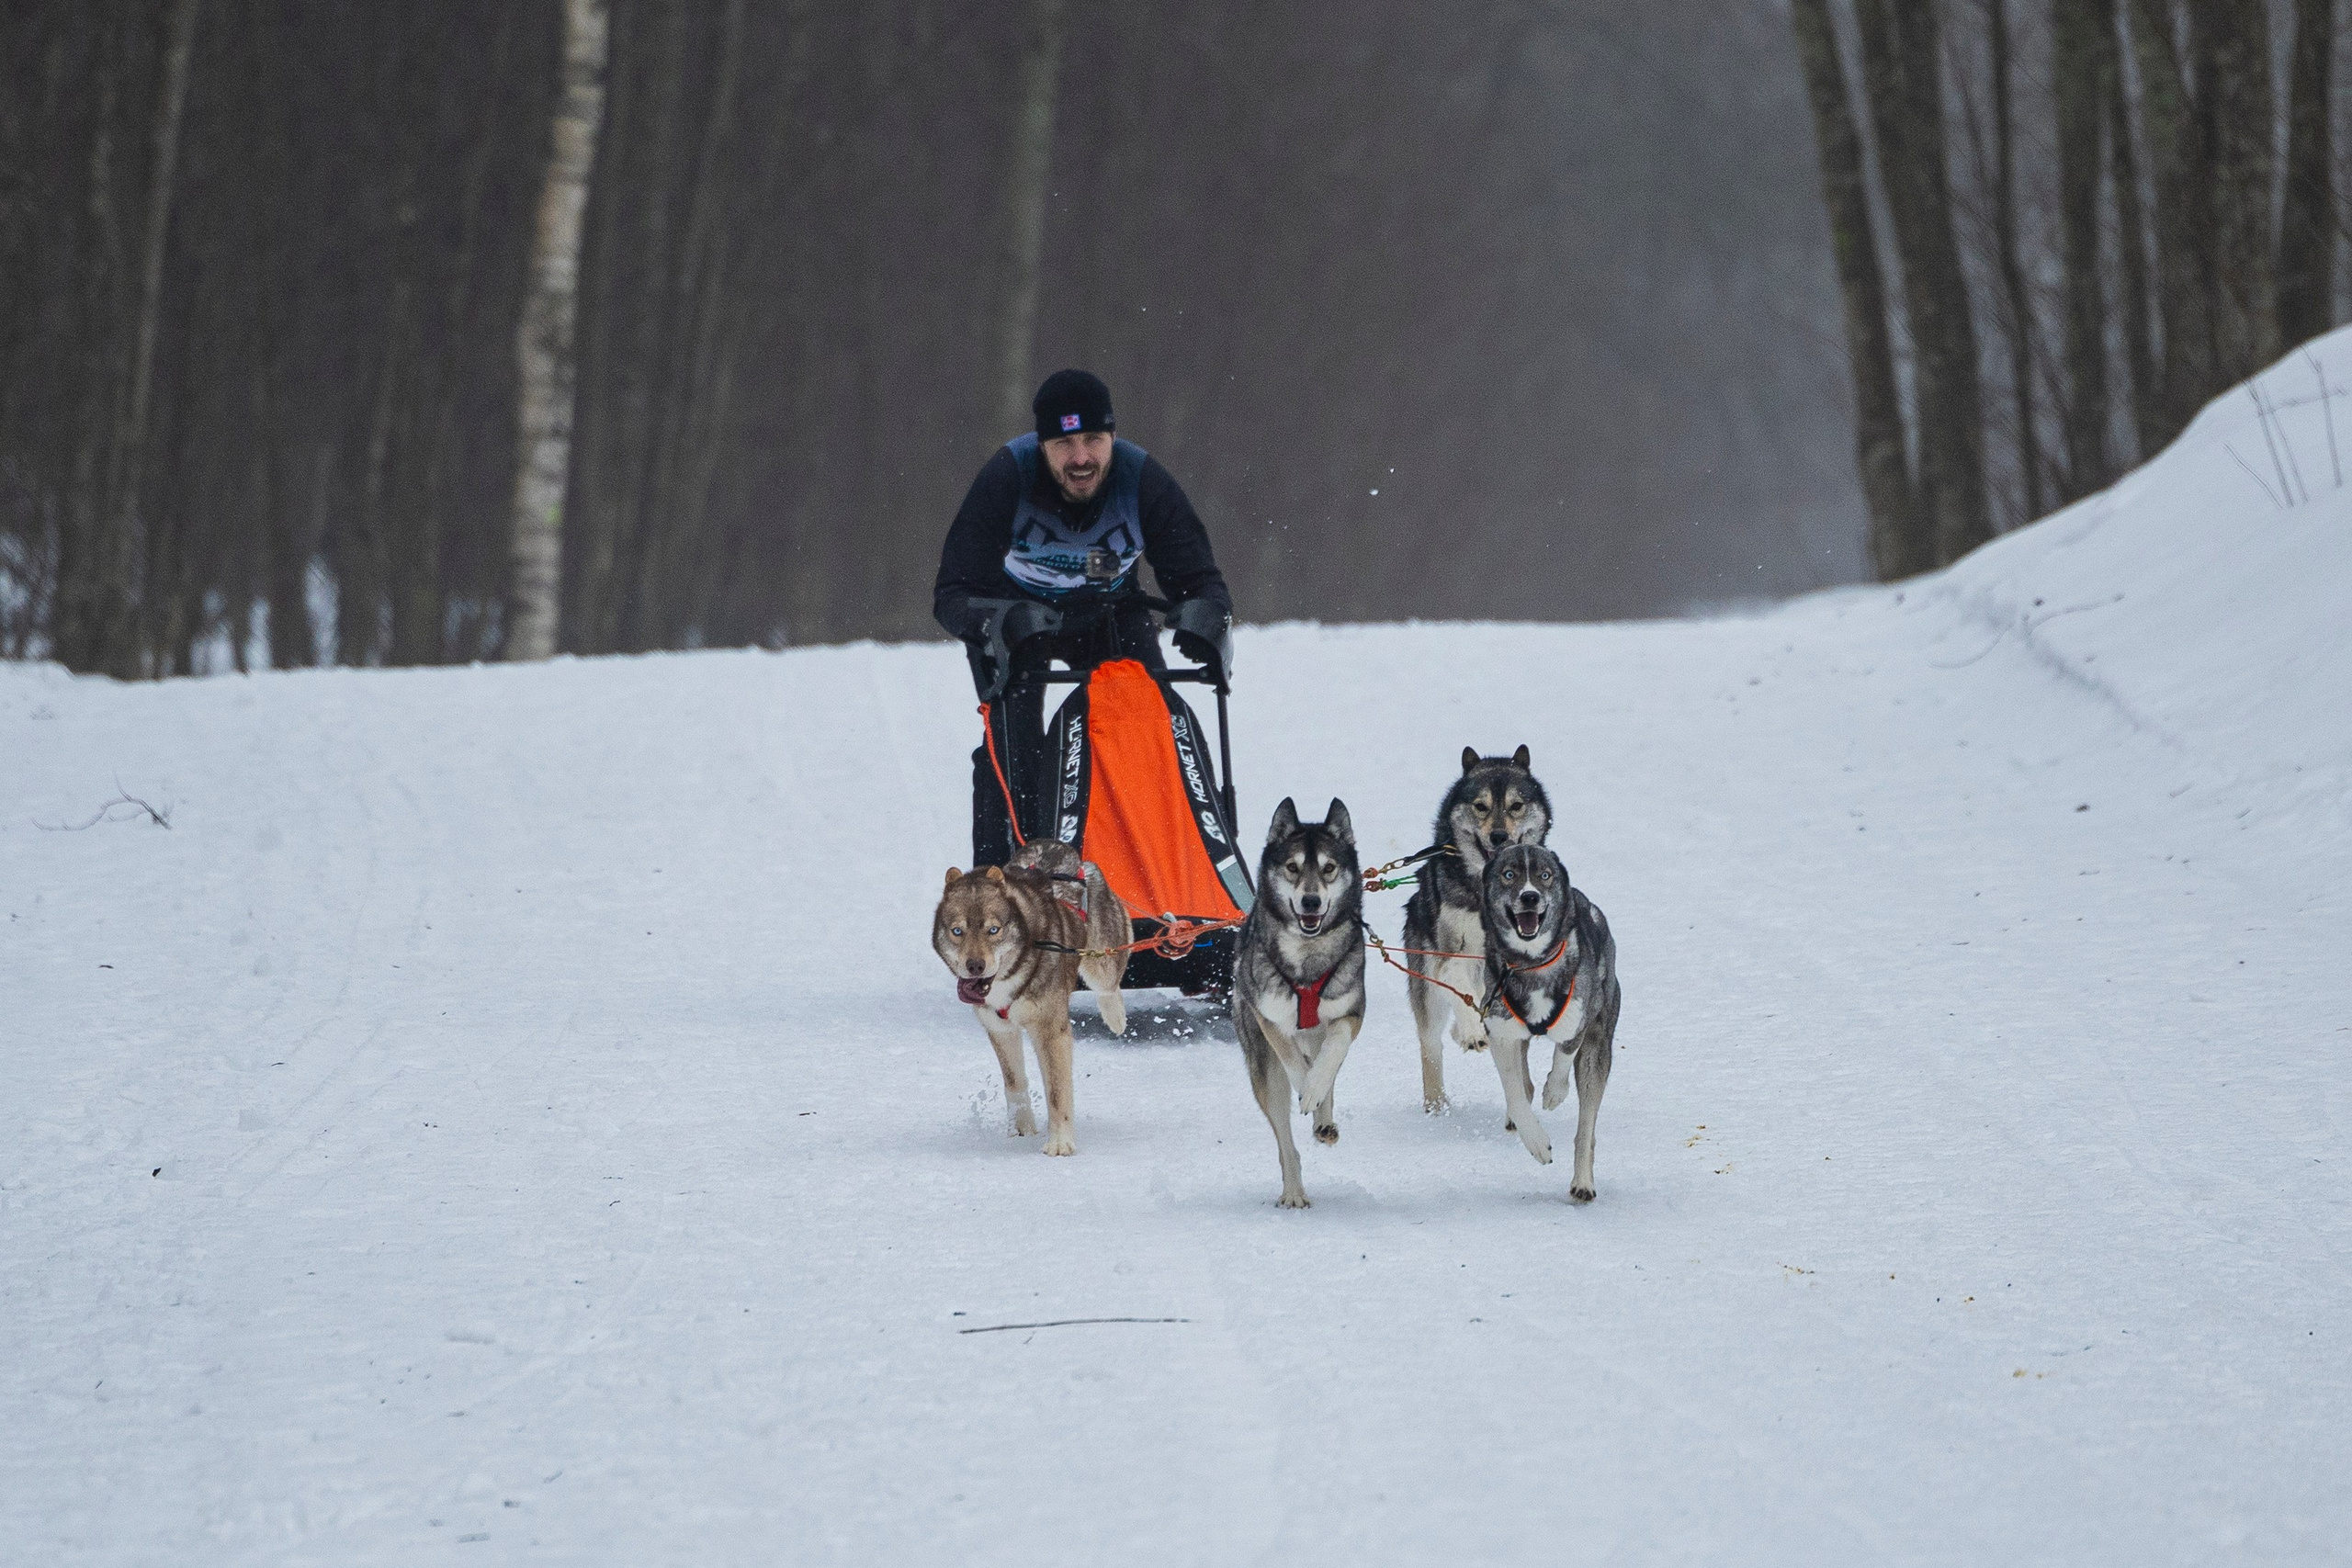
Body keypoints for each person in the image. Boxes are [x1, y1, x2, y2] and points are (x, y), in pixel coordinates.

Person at [934, 368, 1234, 865]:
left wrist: (1207, 621)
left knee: (1152, 728)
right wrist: (991, 623)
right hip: (1020, 615)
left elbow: (1200, 578)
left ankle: (1170, 869)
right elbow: (952, 594)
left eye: (1093, 439)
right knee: (1011, 747)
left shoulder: (1143, 480)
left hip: (1110, 610)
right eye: (1064, 444)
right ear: (1041, 446)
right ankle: (996, 882)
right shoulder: (1008, 475)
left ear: (1113, 437)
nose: (1080, 458)